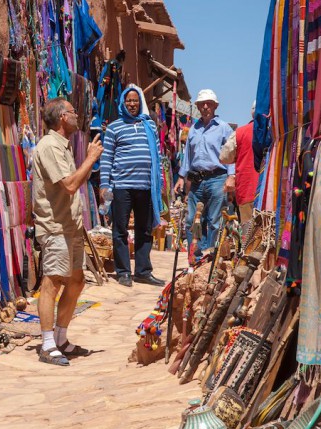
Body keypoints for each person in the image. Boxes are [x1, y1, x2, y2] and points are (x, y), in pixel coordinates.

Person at [31, 98, 104, 366]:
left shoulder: (63, 146)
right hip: (55, 227)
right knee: (52, 283)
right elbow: (70, 185)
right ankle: (47, 344)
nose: (78, 116)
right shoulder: (49, 146)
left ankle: (61, 337)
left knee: (76, 281)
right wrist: (91, 158)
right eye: (74, 111)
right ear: (63, 117)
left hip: (71, 228)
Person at [98, 85, 165, 287]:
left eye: (135, 100)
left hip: (146, 186)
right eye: (129, 100)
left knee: (145, 229)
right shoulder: (114, 128)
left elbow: (158, 156)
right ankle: (123, 272)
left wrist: (159, 181)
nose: (132, 104)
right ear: (122, 103)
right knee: (120, 230)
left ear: (141, 103)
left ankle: (143, 271)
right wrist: (104, 184)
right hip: (121, 186)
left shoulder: (150, 126)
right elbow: (107, 157)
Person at [173, 89, 235, 261]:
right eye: (202, 104)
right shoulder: (193, 129)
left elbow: (232, 154)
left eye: (209, 103)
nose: (205, 106)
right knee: (192, 220)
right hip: (197, 180)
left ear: (215, 106)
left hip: (217, 178)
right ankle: (197, 256)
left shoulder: (224, 128)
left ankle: (213, 256)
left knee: (215, 220)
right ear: (198, 107)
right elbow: (188, 156)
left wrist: (231, 176)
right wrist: (180, 176)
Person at [219, 105, 260, 223]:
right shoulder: (275, 131)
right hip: (270, 193)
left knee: (249, 235)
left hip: (247, 190)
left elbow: (223, 157)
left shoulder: (240, 132)